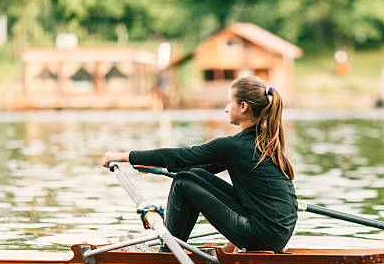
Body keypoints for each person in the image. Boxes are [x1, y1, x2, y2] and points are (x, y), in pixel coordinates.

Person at [101, 76, 297, 253]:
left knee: (183, 182)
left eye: (230, 102)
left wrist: (123, 156)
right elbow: (199, 170)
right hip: (277, 235)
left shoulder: (233, 146)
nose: (226, 108)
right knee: (191, 176)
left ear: (243, 106)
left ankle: (169, 252)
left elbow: (183, 156)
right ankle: (227, 247)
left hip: (262, 235)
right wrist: (157, 168)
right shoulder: (265, 141)